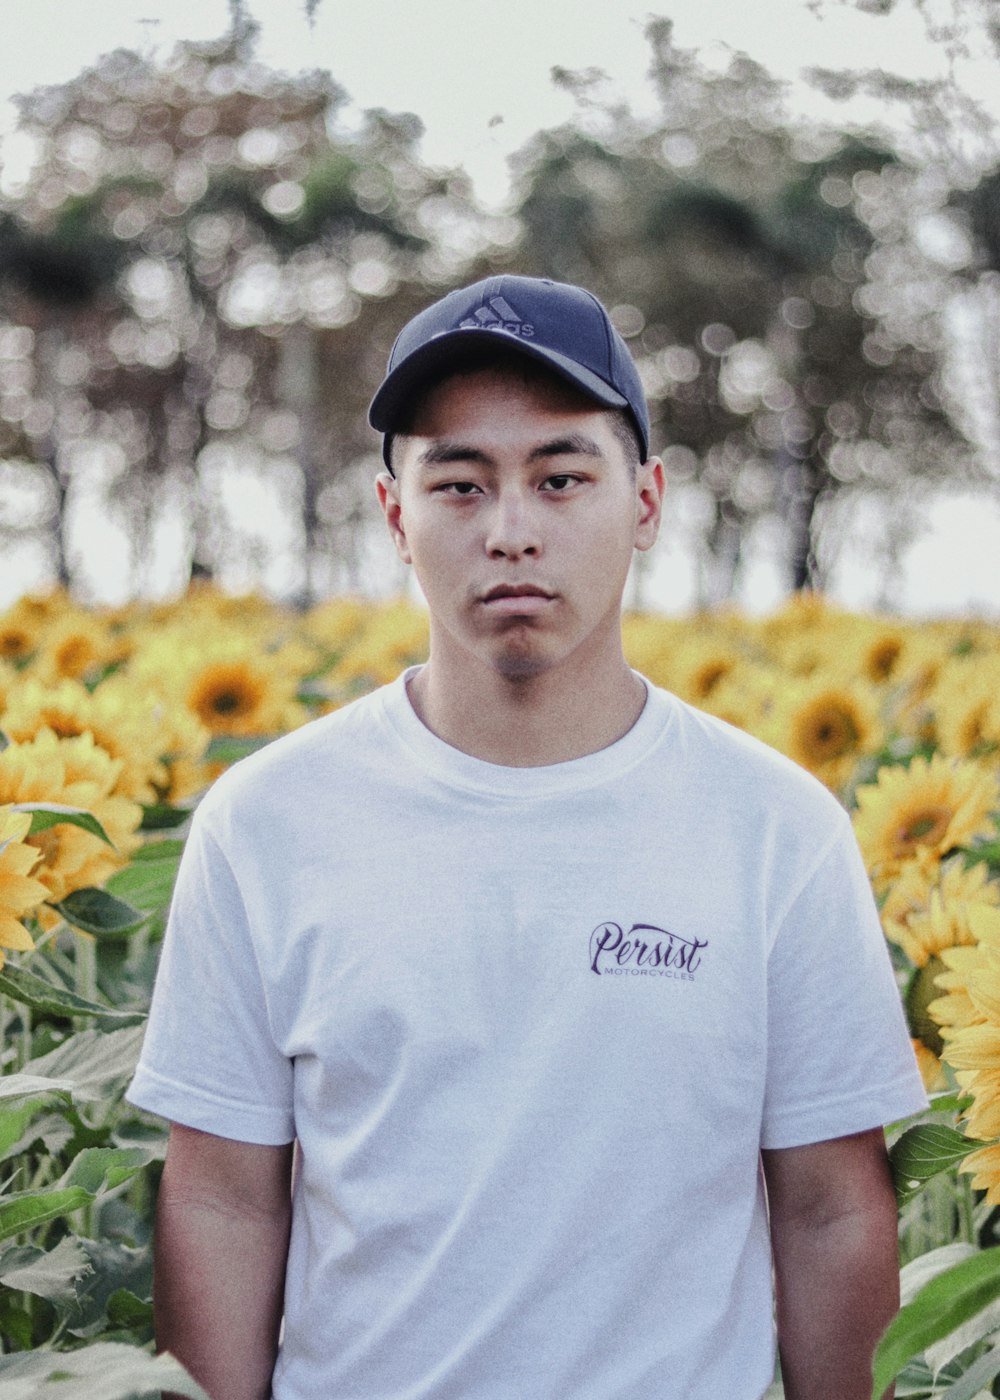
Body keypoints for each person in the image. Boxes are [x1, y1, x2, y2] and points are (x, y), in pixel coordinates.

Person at [128, 274, 928, 1400]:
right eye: (458, 484)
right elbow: (221, 1193)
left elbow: (829, 1202)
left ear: (645, 500)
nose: (510, 530)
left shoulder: (774, 827)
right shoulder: (265, 823)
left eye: (561, 478)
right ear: (394, 513)